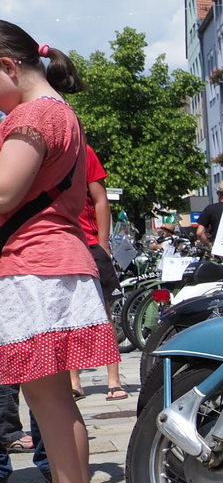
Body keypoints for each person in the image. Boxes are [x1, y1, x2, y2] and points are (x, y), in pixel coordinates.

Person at [0, 21, 119, 483]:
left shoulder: (33, 115)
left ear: (7, 67)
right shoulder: (58, 112)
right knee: (49, 397)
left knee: (48, 399)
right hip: (51, 264)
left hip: (35, 265)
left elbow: (4, 193)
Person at [79, 146, 125, 399]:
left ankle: (114, 379)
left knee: (104, 311)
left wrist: (104, 244)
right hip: (63, 242)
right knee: (66, 315)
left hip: (91, 242)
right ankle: (73, 382)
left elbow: (100, 198)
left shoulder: (83, 152)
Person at [194, 178, 223, 245]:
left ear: (220, 194)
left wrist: (209, 244)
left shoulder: (210, 208)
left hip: (218, 249)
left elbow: (199, 232)